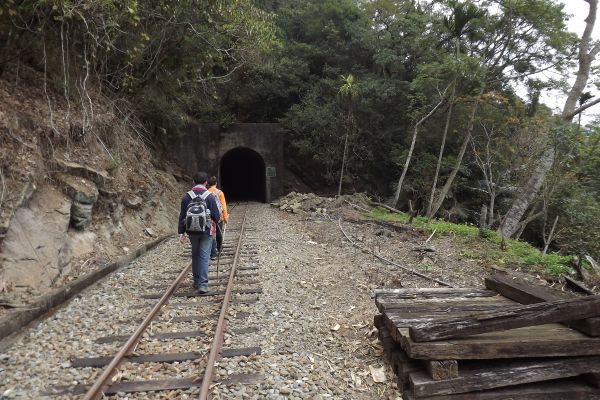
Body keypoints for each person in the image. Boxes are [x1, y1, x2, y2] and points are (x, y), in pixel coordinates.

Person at [178, 171, 221, 293]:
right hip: (206, 231)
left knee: (195, 254)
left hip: (191, 231)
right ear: (206, 182)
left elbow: (182, 215)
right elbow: (216, 217)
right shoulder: (210, 196)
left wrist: (181, 232)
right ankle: (203, 284)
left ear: (193, 181)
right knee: (204, 256)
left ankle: (196, 282)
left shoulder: (187, 196)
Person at [207, 176, 228, 259]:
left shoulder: (206, 192)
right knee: (219, 233)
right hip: (219, 216)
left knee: (211, 234)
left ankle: (212, 252)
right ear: (216, 183)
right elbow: (223, 206)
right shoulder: (219, 193)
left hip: (209, 217)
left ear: (208, 184)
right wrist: (225, 218)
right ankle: (219, 249)